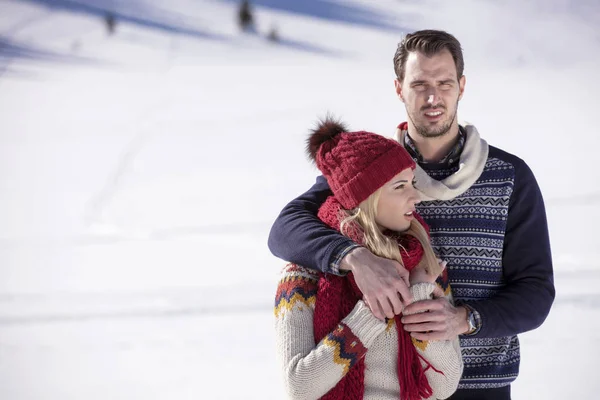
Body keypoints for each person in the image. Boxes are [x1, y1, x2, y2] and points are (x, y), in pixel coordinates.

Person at [268, 30, 555, 400]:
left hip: (480, 385)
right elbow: (285, 229)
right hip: (388, 385)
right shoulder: (370, 171)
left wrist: (464, 319)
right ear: (399, 89)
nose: (432, 97)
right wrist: (355, 258)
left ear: (462, 87)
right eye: (419, 84)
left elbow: (536, 292)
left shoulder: (509, 177)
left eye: (444, 83)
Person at [274, 119, 463, 399]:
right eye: (400, 187)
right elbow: (299, 387)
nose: (416, 196)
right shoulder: (304, 273)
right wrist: (371, 312)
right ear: (367, 198)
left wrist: (420, 294)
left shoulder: (425, 264)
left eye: (412, 183)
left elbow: (444, 386)